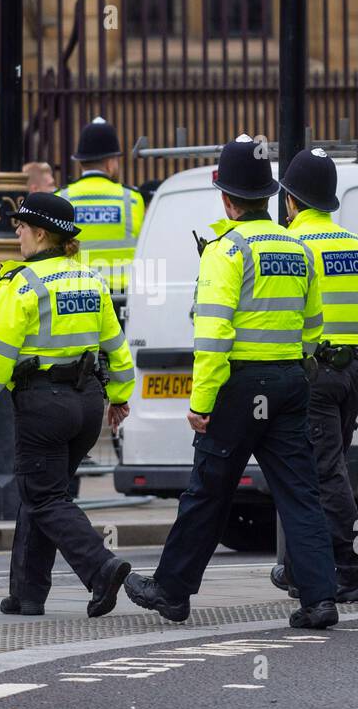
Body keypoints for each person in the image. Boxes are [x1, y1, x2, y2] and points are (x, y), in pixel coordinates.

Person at [122, 136, 340, 630]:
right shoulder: (297, 246)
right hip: (289, 380)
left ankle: (172, 591)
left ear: (224, 195)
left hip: (240, 386)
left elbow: (214, 334)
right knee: (300, 492)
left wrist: (201, 403)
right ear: (268, 195)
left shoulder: (226, 250)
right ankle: (320, 598)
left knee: (208, 490)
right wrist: (291, 365)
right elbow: (313, 326)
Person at [0, 192, 135, 618]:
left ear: (40, 233)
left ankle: (101, 567)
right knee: (38, 491)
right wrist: (120, 394)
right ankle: (27, 593)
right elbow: (116, 345)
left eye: (21, 227)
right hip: (88, 402)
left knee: (44, 495)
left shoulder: (21, 284)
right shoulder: (90, 279)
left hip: (44, 404)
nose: (16, 232)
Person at [269, 148, 358, 604]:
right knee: (319, 472)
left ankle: (356, 569)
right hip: (355, 371)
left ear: (291, 201)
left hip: (316, 373)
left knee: (322, 473)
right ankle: (298, 569)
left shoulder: (294, 247)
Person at [57, 118, 145, 292]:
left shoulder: (61, 197)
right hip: (122, 295)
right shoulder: (132, 198)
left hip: (75, 295)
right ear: (110, 163)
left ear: (80, 162)